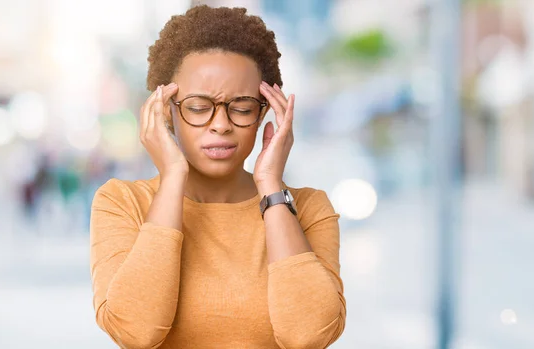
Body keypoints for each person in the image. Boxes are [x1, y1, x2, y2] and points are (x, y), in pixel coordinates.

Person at [89, 5, 346, 349]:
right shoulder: (121, 202)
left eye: (242, 107)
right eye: (198, 107)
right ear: (166, 108)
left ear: (265, 112)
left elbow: (308, 335)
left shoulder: (309, 209)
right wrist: (173, 176)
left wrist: (270, 185)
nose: (221, 124)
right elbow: (136, 333)